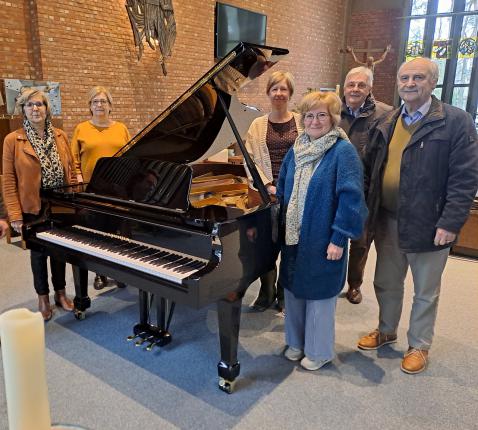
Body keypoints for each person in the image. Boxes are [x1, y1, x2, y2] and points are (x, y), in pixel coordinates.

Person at [358, 57, 478, 374]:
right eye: (404, 78)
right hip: (387, 219)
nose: (410, 83)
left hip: (430, 222)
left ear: (432, 82)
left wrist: (451, 222)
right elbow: (370, 171)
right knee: (386, 281)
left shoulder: (456, 121)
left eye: (418, 78)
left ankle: (419, 344)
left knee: (425, 290)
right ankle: (386, 330)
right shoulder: (387, 120)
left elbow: (465, 178)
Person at [277, 91, 367, 370]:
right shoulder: (297, 147)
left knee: (320, 295)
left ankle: (319, 351)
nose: (314, 121)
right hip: (294, 235)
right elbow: (283, 185)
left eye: (321, 115)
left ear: (333, 118)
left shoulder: (343, 151)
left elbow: (352, 199)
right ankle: (296, 342)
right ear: (302, 119)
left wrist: (339, 238)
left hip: (323, 237)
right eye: (309, 115)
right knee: (293, 288)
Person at [2, 88, 77, 321]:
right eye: (30, 105)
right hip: (32, 205)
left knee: (59, 251)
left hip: (60, 203)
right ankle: (43, 297)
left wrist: (75, 195)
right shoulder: (13, 140)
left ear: (47, 108)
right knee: (38, 254)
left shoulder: (61, 136)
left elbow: (71, 169)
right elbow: (8, 179)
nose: (35, 109)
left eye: (40, 104)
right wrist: (14, 214)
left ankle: (61, 293)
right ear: (23, 110)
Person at [245, 71, 303, 314]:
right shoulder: (258, 124)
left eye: (283, 89)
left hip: (296, 193)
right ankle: (266, 292)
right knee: (265, 247)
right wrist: (267, 185)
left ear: (290, 93)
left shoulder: (302, 121)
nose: (279, 93)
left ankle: (284, 294)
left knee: (291, 247)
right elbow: (250, 160)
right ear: (268, 93)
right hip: (267, 195)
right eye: (274, 89)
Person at [340, 66, 393, 304]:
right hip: (335, 186)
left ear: (370, 88)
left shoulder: (385, 114)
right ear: (344, 86)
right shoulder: (331, 110)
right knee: (332, 236)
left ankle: (354, 284)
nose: (355, 89)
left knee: (360, 241)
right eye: (351, 84)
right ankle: (331, 280)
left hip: (365, 188)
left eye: (361, 85)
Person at [71, 86, 131, 290]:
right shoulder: (81, 128)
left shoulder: (121, 128)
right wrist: (79, 179)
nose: (99, 105)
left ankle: (119, 271)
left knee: (119, 232)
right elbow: (74, 159)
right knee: (97, 232)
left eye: (103, 101)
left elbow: (129, 156)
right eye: (95, 101)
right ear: (89, 106)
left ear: (110, 105)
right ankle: (100, 274)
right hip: (93, 189)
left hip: (118, 189)